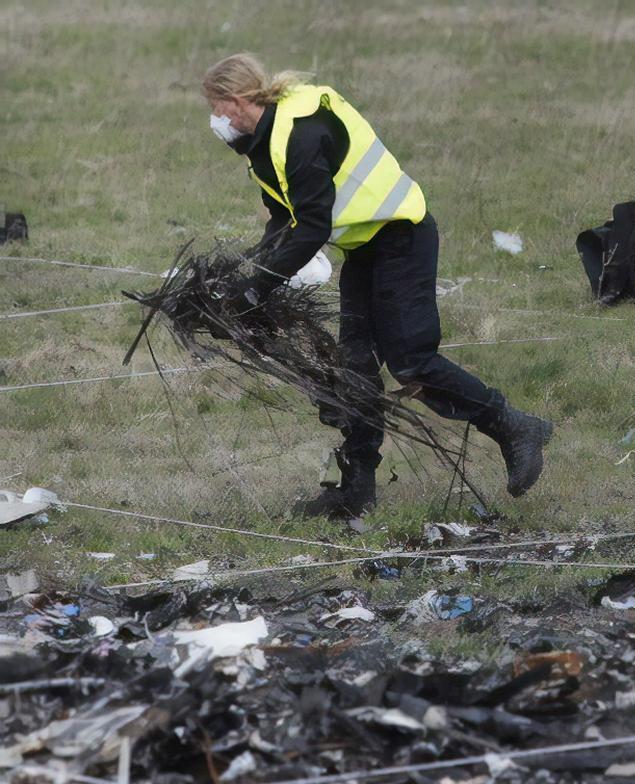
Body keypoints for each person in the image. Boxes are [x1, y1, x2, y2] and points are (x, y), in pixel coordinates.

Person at [202, 53, 553, 517]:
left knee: (412, 360)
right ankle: (355, 491)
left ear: (240, 100)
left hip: (401, 236)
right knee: (355, 367)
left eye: (217, 106)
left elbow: (309, 230)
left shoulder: (299, 133)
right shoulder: (265, 144)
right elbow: (283, 221)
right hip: (366, 247)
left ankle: (515, 427)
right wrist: (245, 274)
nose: (215, 119)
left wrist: (258, 287)